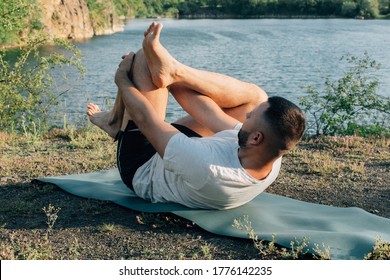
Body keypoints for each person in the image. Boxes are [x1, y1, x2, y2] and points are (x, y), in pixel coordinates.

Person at [87, 22, 306, 210]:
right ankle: (173, 70)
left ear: (255, 138)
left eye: (250, 118)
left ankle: (116, 122)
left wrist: (122, 77)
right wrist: (169, 76)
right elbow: (207, 112)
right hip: (188, 151)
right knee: (256, 97)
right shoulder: (269, 154)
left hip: (143, 163)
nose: (245, 116)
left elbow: (146, 119)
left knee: (143, 59)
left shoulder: (208, 168)